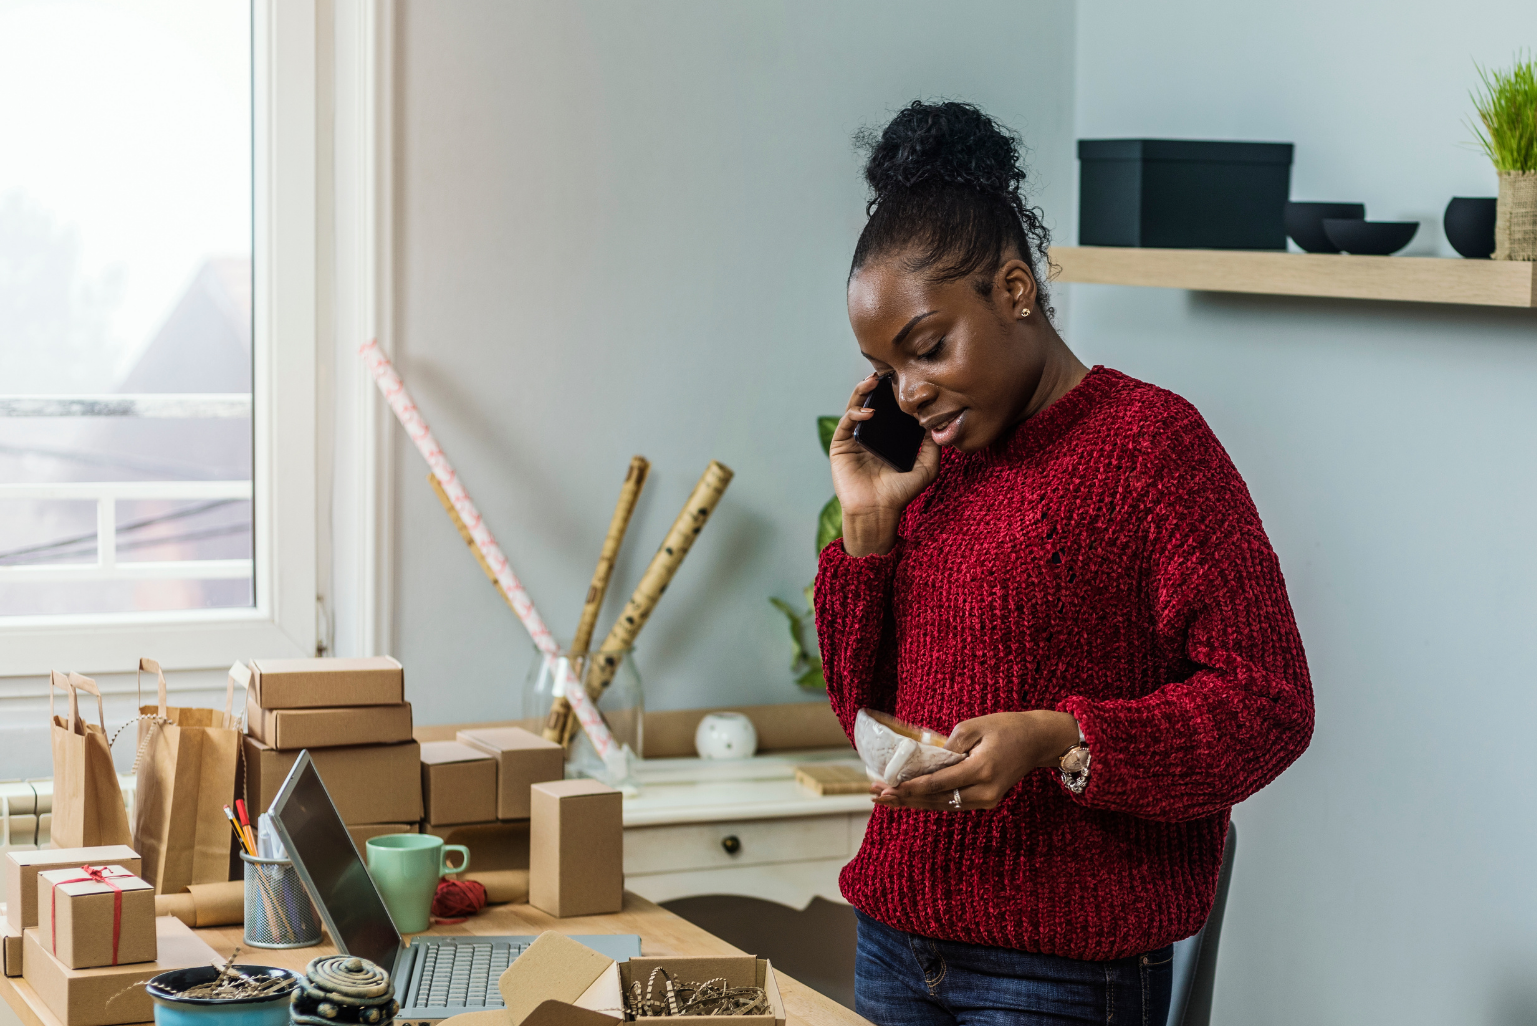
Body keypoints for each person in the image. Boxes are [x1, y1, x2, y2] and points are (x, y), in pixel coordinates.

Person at [816, 100, 1314, 1026]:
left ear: (1014, 291)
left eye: (927, 348)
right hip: (894, 941)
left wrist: (1063, 739)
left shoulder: (1151, 446)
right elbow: (861, 713)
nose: (910, 391)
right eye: (886, 370)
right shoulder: (924, 471)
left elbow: (1268, 703)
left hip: (1059, 973)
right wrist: (868, 529)